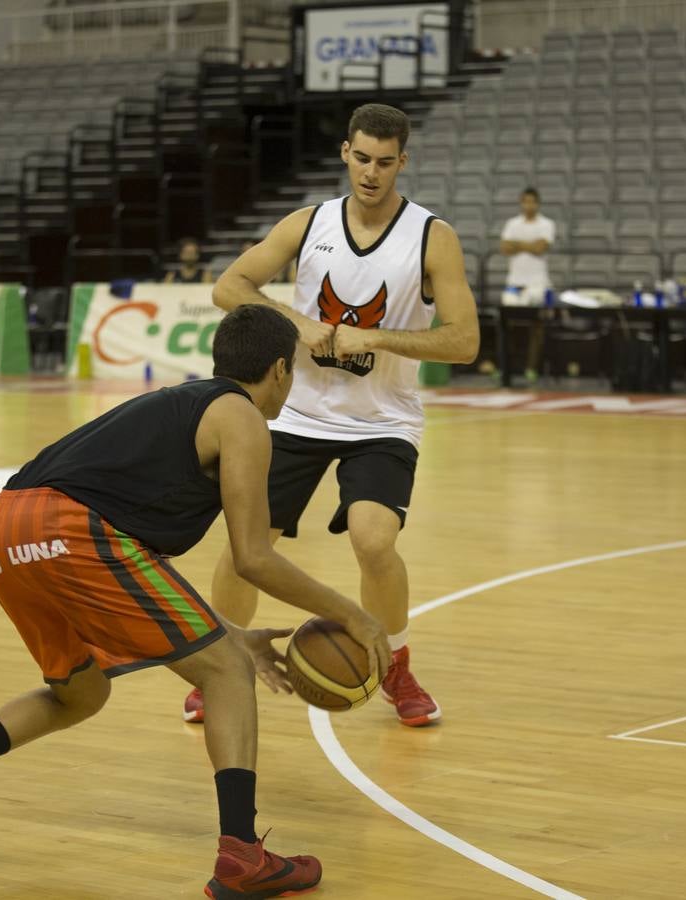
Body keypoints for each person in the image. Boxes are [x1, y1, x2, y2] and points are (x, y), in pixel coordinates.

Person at [0, 304, 389, 898]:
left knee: (82, 692)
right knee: (226, 673)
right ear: (280, 369)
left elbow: (138, 562)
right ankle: (241, 855)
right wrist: (353, 614)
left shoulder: (181, 404)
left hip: (5, 525)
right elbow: (253, 557)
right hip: (71, 530)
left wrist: (228, 629)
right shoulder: (242, 417)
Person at [182, 103, 479, 728]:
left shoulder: (431, 236)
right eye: (362, 158)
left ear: (403, 162)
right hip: (297, 415)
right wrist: (301, 324)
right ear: (346, 153)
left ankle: (395, 665)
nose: (372, 172)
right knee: (247, 546)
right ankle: (219, 663)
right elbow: (228, 287)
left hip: (383, 421)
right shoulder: (307, 222)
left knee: (374, 541)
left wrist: (379, 339)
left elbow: (464, 341)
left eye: (385, 162)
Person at [499, 187, 558, 384]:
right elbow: (505, 248)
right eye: (525, 201)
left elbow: (541, 248)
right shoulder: (512, 223)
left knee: (537, 327)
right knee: (509, 325)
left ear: (537, 203)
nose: (528, 205)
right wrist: (530, 245)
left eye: (532, 201)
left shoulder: (547, 224)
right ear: (521, 203)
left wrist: (518, 244)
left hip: (538, 284)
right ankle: (507, 368)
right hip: (514, 283)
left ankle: (531, 368)